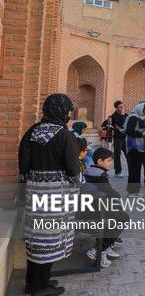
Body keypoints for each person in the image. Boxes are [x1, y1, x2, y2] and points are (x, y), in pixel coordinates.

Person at [19, 93, 81, 296]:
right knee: (50, 239)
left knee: (38, 238)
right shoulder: (64, 136)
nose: (70, 114)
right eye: (69, 110)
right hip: (56, 195)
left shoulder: (32, 132)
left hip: (34, 192)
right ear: (62, 111)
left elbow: (23, 163)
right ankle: (39, 287)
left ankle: (35, 282)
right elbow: (72, 168)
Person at [81, 147, 129, 268]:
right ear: (99, 161)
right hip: (94, 210)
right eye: (108, 160)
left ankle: (106, 246)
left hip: (88, 206)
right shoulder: (100, 175)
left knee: (119, 214)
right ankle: (99, 249)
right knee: (123, 218)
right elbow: (111, 193)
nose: (110, 163)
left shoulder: (89, 170)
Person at [123, 102, 145, 197]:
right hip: (133, 147)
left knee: (138, 169)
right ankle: (131, 191)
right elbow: (129, 131)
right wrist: (142, 134)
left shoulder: (140, 118)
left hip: (140, 147)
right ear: (140, 109)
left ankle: (136, 190)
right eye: (144, 111)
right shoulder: (133, 117)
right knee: (133, 170)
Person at [109, 100, 127, 178]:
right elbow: (121, 126)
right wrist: (123, 116)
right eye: (120, 107)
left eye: (122, 106)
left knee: (128, 154)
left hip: (125, 138)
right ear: (116, 108)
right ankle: (118, 171)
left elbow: (128, 123)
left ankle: (132, 169)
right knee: (117, 155)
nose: (122, 108)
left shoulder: (126, 114)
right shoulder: (114, 116)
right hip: (118, 138)